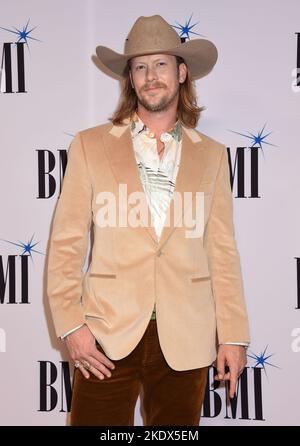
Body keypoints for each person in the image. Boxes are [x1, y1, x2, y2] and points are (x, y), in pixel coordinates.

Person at [46, 14, 250, 426]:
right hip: (106, 333)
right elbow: (67, 242)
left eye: (160, 64)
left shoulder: (212, 155)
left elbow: (222, 251)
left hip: (186, 335)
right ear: (130, 78)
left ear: (181, 72)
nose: (150, 76)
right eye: (139, 66)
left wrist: (233, 335)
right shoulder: (89, 146)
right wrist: (71, 326)